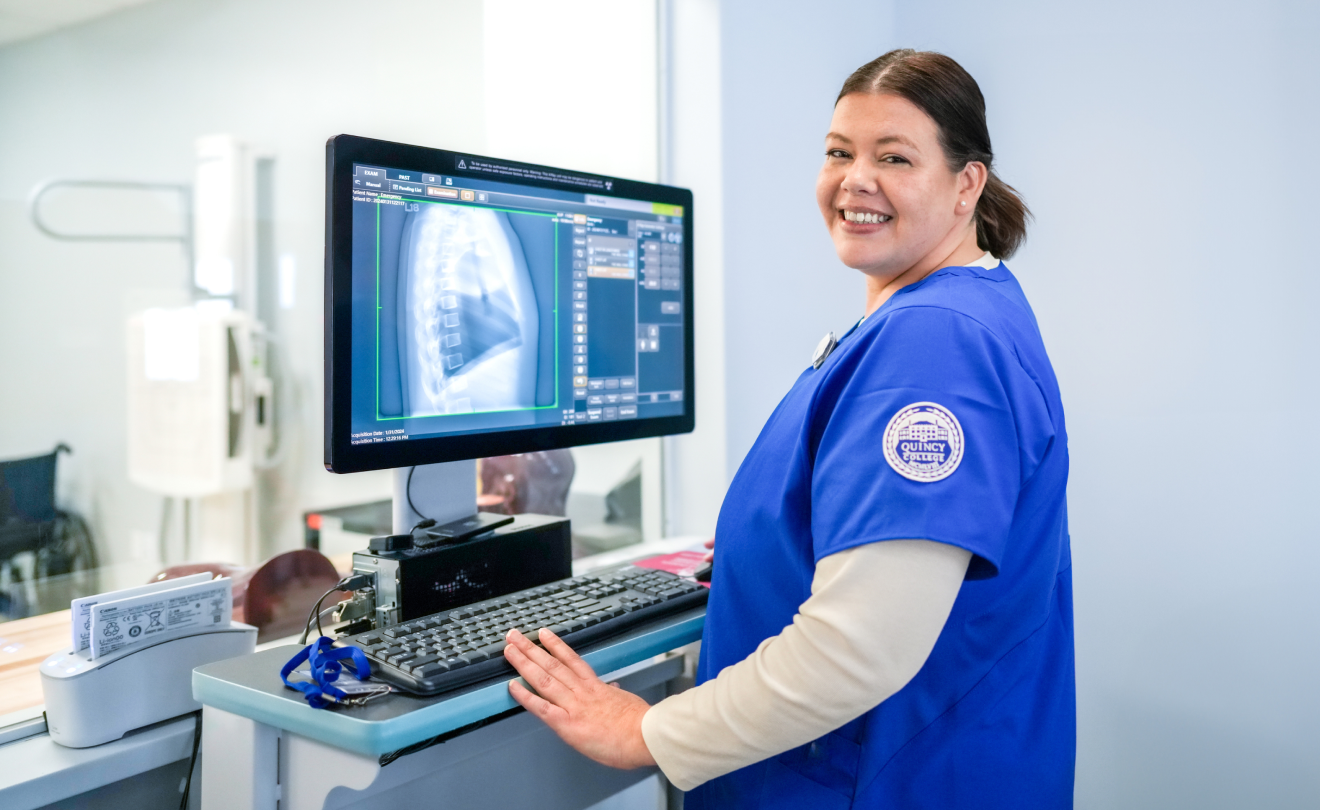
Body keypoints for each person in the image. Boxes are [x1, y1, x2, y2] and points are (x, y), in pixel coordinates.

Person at [501, 49, 1074, 809]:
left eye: (894, 157)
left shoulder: (934, 341)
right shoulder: (963, 308)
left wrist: (647, 733)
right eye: (839, 152)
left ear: (967, 184)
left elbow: (860, 646)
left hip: (882, 783)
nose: (855, 180)